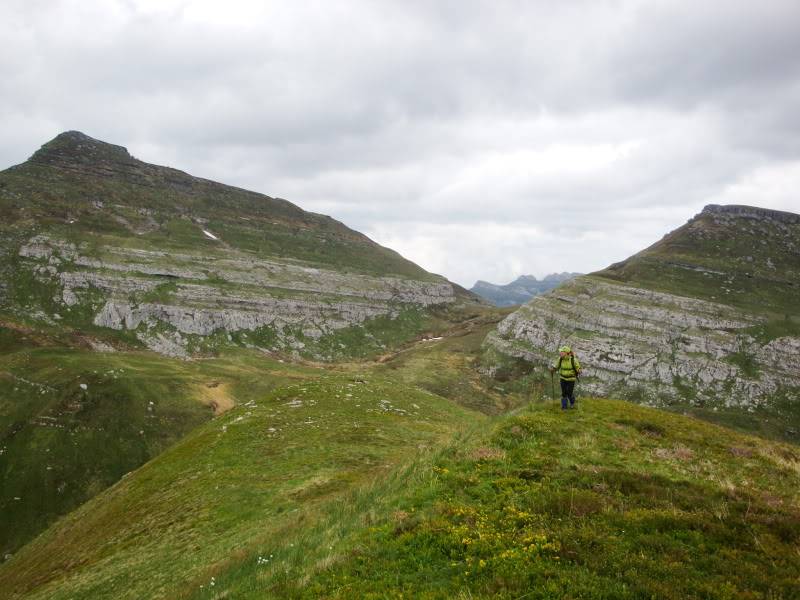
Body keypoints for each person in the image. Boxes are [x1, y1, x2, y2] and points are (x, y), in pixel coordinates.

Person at [550, 345, 581, 410]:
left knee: (569, 393)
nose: (560, 353)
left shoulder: (573, 360)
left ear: (567, 353)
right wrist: (553, 369)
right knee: (564, 393)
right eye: (560, 352)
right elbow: (556, 366)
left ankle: (572, 402)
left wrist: (579, 370)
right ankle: (564, 407)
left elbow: (578, 367)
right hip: (563, 378)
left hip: (571, 379)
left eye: (562, 352)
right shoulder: (560, 359)